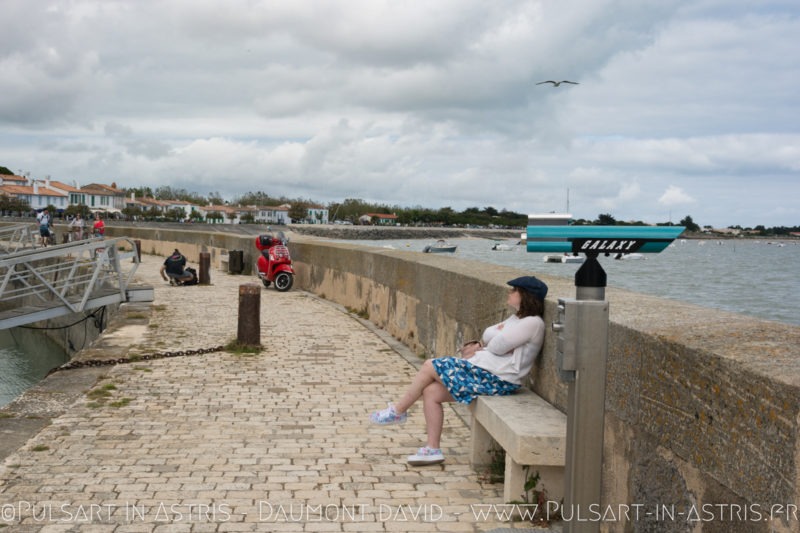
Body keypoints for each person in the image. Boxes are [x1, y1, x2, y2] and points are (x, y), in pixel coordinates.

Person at [370, 276, 548, 466]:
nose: (509, 293)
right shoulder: (516, 319)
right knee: (431, 392)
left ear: (525, 296)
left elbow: (496, 345)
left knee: (430, 365)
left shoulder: (532, 323)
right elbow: (488, 335)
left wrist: (498, 341)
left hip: (499, 380)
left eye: (514, 290)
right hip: (485, 372)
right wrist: (499, 340)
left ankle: (398, 411)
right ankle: (432, 449)